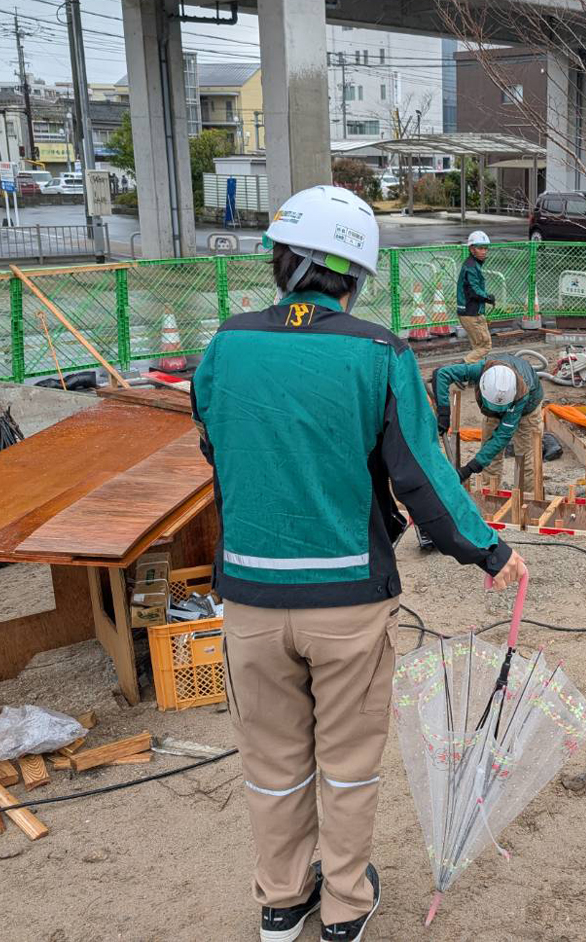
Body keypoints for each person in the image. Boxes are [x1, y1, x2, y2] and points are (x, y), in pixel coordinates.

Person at [190, 185, 526, 942]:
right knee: (346, 764)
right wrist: (488, 551)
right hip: (346, 597)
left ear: (282, 262)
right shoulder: (379, 353)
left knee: (272, 761)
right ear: (354, 276)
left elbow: (216, 445)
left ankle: (281, 902)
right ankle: (344, 907)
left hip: (249, 596)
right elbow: (420, 475)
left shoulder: (225, 345)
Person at [433, 354, 543, 497]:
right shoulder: (480, 370)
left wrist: (470, 468)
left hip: (528, 409)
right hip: (497, 407)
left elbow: (502, 437)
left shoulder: (521, 393)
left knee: (526, 458)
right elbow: (441, 374)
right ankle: (489, 494)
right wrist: (443, 412)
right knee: (490, 456)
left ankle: (529, 498)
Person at [456, 230, 496, 360]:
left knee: (477, 347)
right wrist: (487, 297)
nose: (484, 251)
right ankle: (460, 367)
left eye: (485, 248)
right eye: (480, 248)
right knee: (484, 346)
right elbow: (474, 290)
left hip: (471, 311)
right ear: (472, 249)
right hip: (471, 313)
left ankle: (474, 370)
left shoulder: (473, 264)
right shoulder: (471, 267)